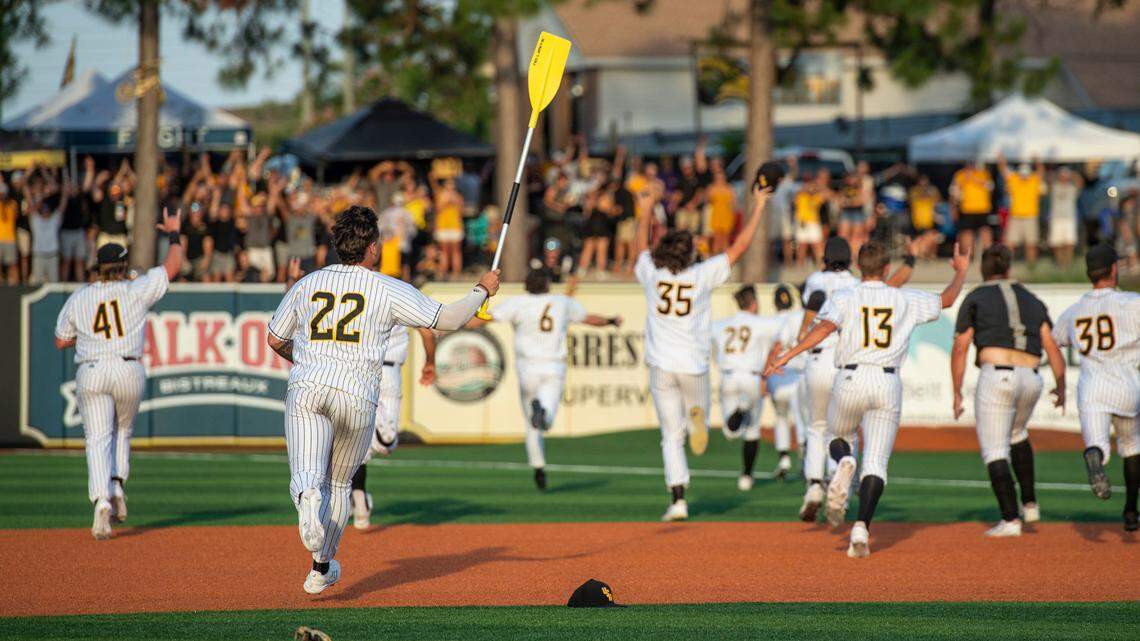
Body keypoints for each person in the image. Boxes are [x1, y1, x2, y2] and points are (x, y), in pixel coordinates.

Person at [266, 205, 500, 594]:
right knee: (341, 486)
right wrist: (482, 289)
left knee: (310, 476)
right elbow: (448, 319)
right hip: (358, 392)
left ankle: (308, 500)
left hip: (307, 384)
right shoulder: (387, 287)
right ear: (372, 247)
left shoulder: (307, 284)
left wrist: (305, 357)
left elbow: (275, 338)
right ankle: (321, 567)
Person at [767, 240, 970, 557]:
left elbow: (821, 330)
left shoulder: (845, 296)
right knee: (876, 464)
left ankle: (844, 460)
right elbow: (947, 299)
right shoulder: (903, 298)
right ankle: (861, 529)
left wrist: (788, 354)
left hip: (850, 377)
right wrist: (960, 273)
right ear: (887, 268)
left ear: (860, 267)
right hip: (887, 382)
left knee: (835, 436)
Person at [635, 168, 771, 521]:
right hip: (693, 364)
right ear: (691, 254)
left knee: (670, 436)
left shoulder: (654, 273)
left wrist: (647, 210)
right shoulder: (702, 274)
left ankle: (678, 499)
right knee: (700, 416)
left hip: (661, 365)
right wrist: (758, 206)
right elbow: (739, 247)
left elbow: (639, 248)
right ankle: (699, 417)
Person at [53, 208, 184, 540]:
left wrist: (86, 338)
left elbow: (60, 340)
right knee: (122, 432)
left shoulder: (80, 297)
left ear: (98, 268)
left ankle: (101, 502)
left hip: (92, 370)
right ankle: (116, 484)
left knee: (97, 438)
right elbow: (173, 267)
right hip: (128, 367)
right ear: (124, 267)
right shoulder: (136, 289)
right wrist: (173, 233)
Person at [794, 237, 913, 522]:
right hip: (847, 358)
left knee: (816, 428)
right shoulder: (854, 286)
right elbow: (891, 286)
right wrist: (910, 260)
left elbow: (810, 313)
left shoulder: (813, 280)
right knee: (850, 428)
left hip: (817, 356)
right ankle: (843, 480)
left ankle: (813, 487)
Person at [950, 245, 1066, 537]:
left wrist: (956, 391)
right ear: (1009, 268)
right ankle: (1029, 505)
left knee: (994, 450)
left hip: (997, 374)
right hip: (1031, 376)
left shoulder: (976, 296)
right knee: (1018, 434)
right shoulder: (1032, 299)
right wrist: (1061, 385)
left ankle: (1010, 519)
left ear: (983, 270)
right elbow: (1050, 345)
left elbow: (961, 346)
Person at [469, 268, 620, 489]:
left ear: (526, 285)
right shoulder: (562, 302)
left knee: (531, 425)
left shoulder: (517, 303)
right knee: (546, 419)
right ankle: (544, 414)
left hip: (527, 368)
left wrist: (460, 320)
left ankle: (538, 467)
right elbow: (589, 319)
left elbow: (482, 320)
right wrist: (610, 321)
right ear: (547, 285)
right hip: (553, 367)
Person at [1051, 245, 1139, 532]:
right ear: (1114, 269)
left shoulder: (1074, 310)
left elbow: (1057, 338)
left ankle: (1095, 457)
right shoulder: (1132, 302)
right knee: (1132, 447)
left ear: (1090, 273)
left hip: (1092, 388)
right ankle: (1130, 512)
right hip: (1127, 384)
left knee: (1097, 445)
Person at [350, 324, 438, 529]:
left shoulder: (367, 292)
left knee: (377, 445)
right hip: (368, 370)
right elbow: (427, 331)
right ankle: (360, 503)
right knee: (367, 446)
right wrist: (431, 361)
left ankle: (370, 423)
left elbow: (427, 329)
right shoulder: (399, 292)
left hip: (374, 372)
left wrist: (430, 361)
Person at [711, 284, 783, 491]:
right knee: (752, 431)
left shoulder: (720, 325)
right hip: (752, 378)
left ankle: (740, 412)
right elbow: (781, 335)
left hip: (729, 377)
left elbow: (705, 341)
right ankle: (746, 476)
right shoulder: (762, 323)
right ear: (753, 303)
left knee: (730, 431)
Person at [765, 284, 809, 480]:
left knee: (781, 417)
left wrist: (764, 375)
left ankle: (784, 459)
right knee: (803, 420)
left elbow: (775, 346)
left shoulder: (776, 320)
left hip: (780, 375)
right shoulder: (804, 317)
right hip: (801, 375)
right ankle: (805, 462)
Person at [999, 155, 1045, 267]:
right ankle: (1008, 266)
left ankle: (1031, 266)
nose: (1024, 177)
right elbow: (1003, 171)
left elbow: (1040, 171)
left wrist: (1037, 161)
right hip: (1015, 216)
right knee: (1010, 244)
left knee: (1031, 244)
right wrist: (1001, 160)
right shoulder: (1014, 179)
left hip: (1030, 216)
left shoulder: (1034, 180)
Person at [951, 160, 995, 257]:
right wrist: (954, 208)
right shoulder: (960, 175)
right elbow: (954, 193)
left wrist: (974, 179)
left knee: (985, 232)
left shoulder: (983, 174)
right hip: (967, 209)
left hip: (982, 209)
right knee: (967, 233)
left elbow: (990, 187)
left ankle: (989, 256)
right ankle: (968, 256)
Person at [1047, 167, 1081, 268]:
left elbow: (1080, 183)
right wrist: (1055, 174)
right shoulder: (1054, 186)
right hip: (1056, 218)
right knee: (1057, 243)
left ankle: (1068, 263)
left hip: (1069, 218)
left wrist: (1073, 174)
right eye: (1062, 175)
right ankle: (1060, 263)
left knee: (1069, 243)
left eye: (1066, 175)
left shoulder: (1072, 187)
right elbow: (1048, 179)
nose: (1064, 177)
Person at [793, 174, 826, 266]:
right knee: (802, 246)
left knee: (818, 246)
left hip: (814, 223)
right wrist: (808, 188)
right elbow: (799, 191)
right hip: (802, 223)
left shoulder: (817, 196)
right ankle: (800, 266)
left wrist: (817, 187)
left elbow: (826, 194)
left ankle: (821, 266)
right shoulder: (800, 195)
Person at [706, 168, 737, 255]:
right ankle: (715, 259)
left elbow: (734, 203)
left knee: (725, 239)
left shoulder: (729, 188)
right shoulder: (712, 188)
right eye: (718, 178)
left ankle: (726, 259)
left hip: (726, 215)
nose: (720, 180)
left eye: (721, 178)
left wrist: (733, 216)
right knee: (717, 239)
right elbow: (708, 201)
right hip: (716, 214)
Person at [0, 182, 21, 284]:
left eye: (3, 193)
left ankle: (13, 283)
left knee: (12, 264)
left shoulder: (12, 204)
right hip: (0, 238)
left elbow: (16, 216)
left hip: (10, 238)